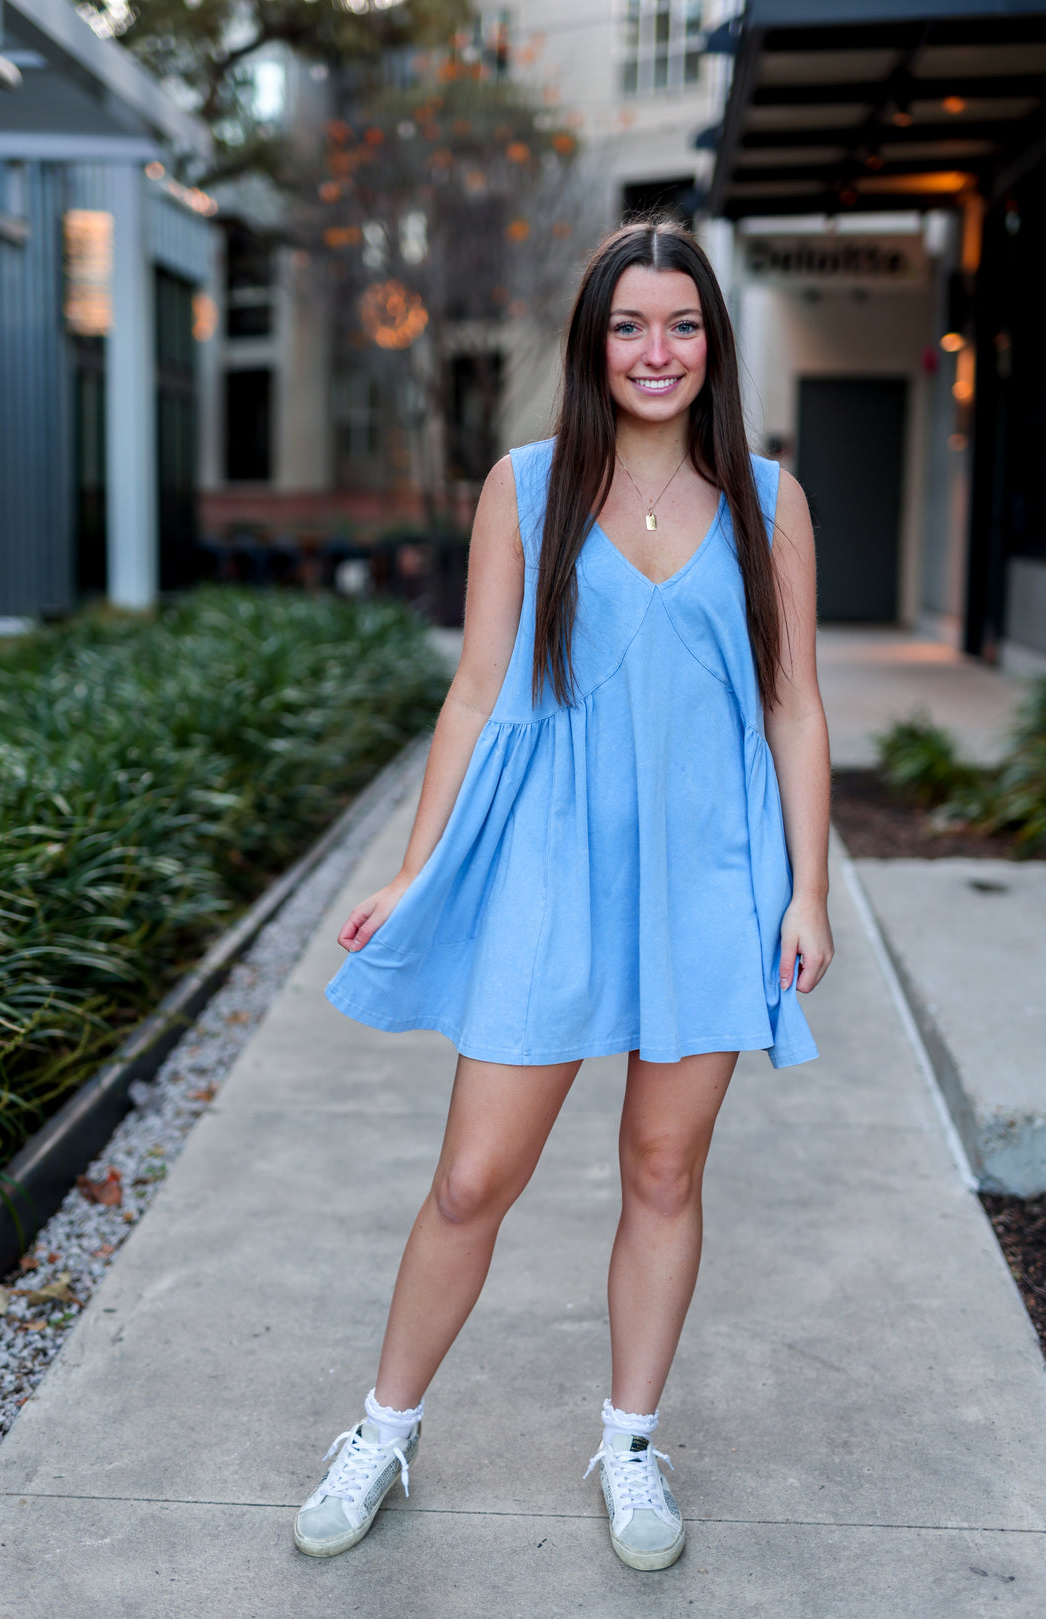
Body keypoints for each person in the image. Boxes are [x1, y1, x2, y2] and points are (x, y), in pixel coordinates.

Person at [294, 221, 834, 1573]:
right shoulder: (525, 488)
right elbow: (475, 693)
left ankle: (631, 1444)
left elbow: (796, 707)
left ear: (715, 342)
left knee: (664, 1169)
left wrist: (807, 891)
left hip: (710, 875)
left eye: (685, 325)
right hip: (550, 863)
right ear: (597, 345)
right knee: (475, 1179)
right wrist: (419, 872)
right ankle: (384, 1429)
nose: (659, 352)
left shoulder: (772, 501)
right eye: (631, 327)